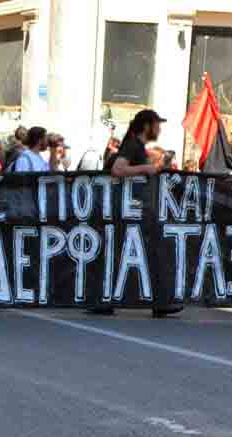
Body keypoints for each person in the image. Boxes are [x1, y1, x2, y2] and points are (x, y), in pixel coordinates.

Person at [90, 109, 183, 318]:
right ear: (147, 125)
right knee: (145, 255)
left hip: (133, 212)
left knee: (131, 256)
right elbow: (118, 169)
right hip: (129, 212)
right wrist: (145, 169)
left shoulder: (136, 145)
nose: (159, 129)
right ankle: (157, 302)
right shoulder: (132, 144)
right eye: (157, 125)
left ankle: (105, 300)